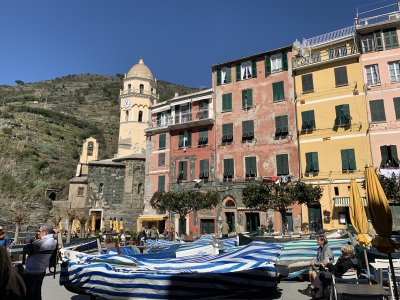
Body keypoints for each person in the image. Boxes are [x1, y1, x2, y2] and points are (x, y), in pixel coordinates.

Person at [22, 224, 57, 300]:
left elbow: (25, 249)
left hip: (32, 272)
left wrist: (31, 242)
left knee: (28, 295)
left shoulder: (42, 242)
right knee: (37, 293)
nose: (38, 233)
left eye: (39, 231)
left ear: (45, 233)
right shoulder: (53, 241)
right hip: (41, 271)